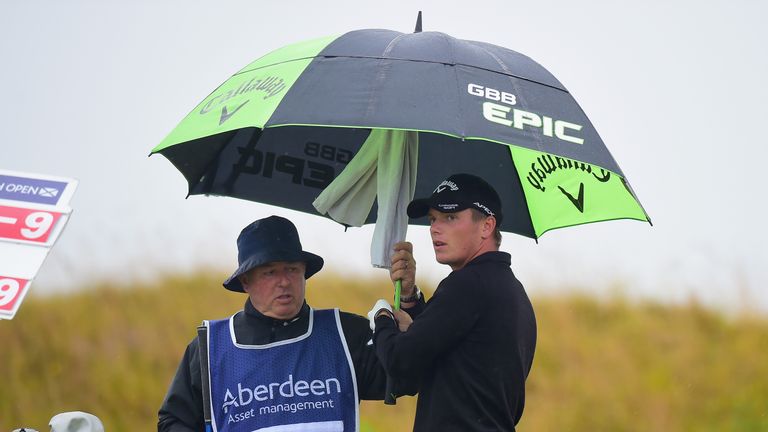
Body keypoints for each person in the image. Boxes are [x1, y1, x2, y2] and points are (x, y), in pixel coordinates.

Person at [158, 215, 420, 432]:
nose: (284, 281)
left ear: (305, 273)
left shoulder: (343, 333)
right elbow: (173, 422)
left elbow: (410, 371)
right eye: (270, 272)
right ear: (246, 281)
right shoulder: (210, 348)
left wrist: (408, 297)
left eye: (292, 269)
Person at [370, 173, 537, 432]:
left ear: (486, 226)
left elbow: (400, 361)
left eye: (450, 217)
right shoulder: (511, 289)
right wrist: (409, 295)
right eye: (433, 219)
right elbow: (442, 347)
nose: (435, 228)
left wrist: (382, 317)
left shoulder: (467, 284)